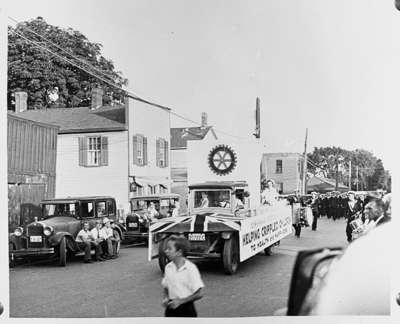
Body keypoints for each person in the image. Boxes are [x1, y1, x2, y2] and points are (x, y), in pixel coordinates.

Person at [161, 235, 204, 317]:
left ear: (179, 252)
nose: (166, 251)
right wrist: (166, 298)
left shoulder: (190, 268)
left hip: (186, 310)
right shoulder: (168, 267)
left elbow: (200, 293)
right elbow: (166, 286)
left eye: (169, 249)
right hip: (171, 309)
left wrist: (181, 301)